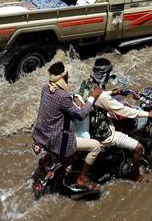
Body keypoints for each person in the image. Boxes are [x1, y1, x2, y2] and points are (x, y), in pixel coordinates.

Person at [78, 58, 152, 182]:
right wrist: (148, 114)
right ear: (104, 75)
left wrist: (112, 92)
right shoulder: (102, 96)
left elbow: (97, 96)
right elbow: (123, 110)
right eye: (108, 74)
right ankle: (136, 175)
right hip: (105, 134)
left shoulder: (86, 83)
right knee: (139, 147)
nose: (109, 76)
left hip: (90, 127)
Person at [32, 61, 103, 190]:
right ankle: (82, 179)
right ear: (62, 78)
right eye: (67, 75)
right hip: (56, 141)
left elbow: (59, 106)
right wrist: (92, 98)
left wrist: (72, 97)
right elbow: (81, 114)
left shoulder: (46, 88)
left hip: (42, 135)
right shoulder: (63, 96)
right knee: (96, 146)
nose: (68, 77)